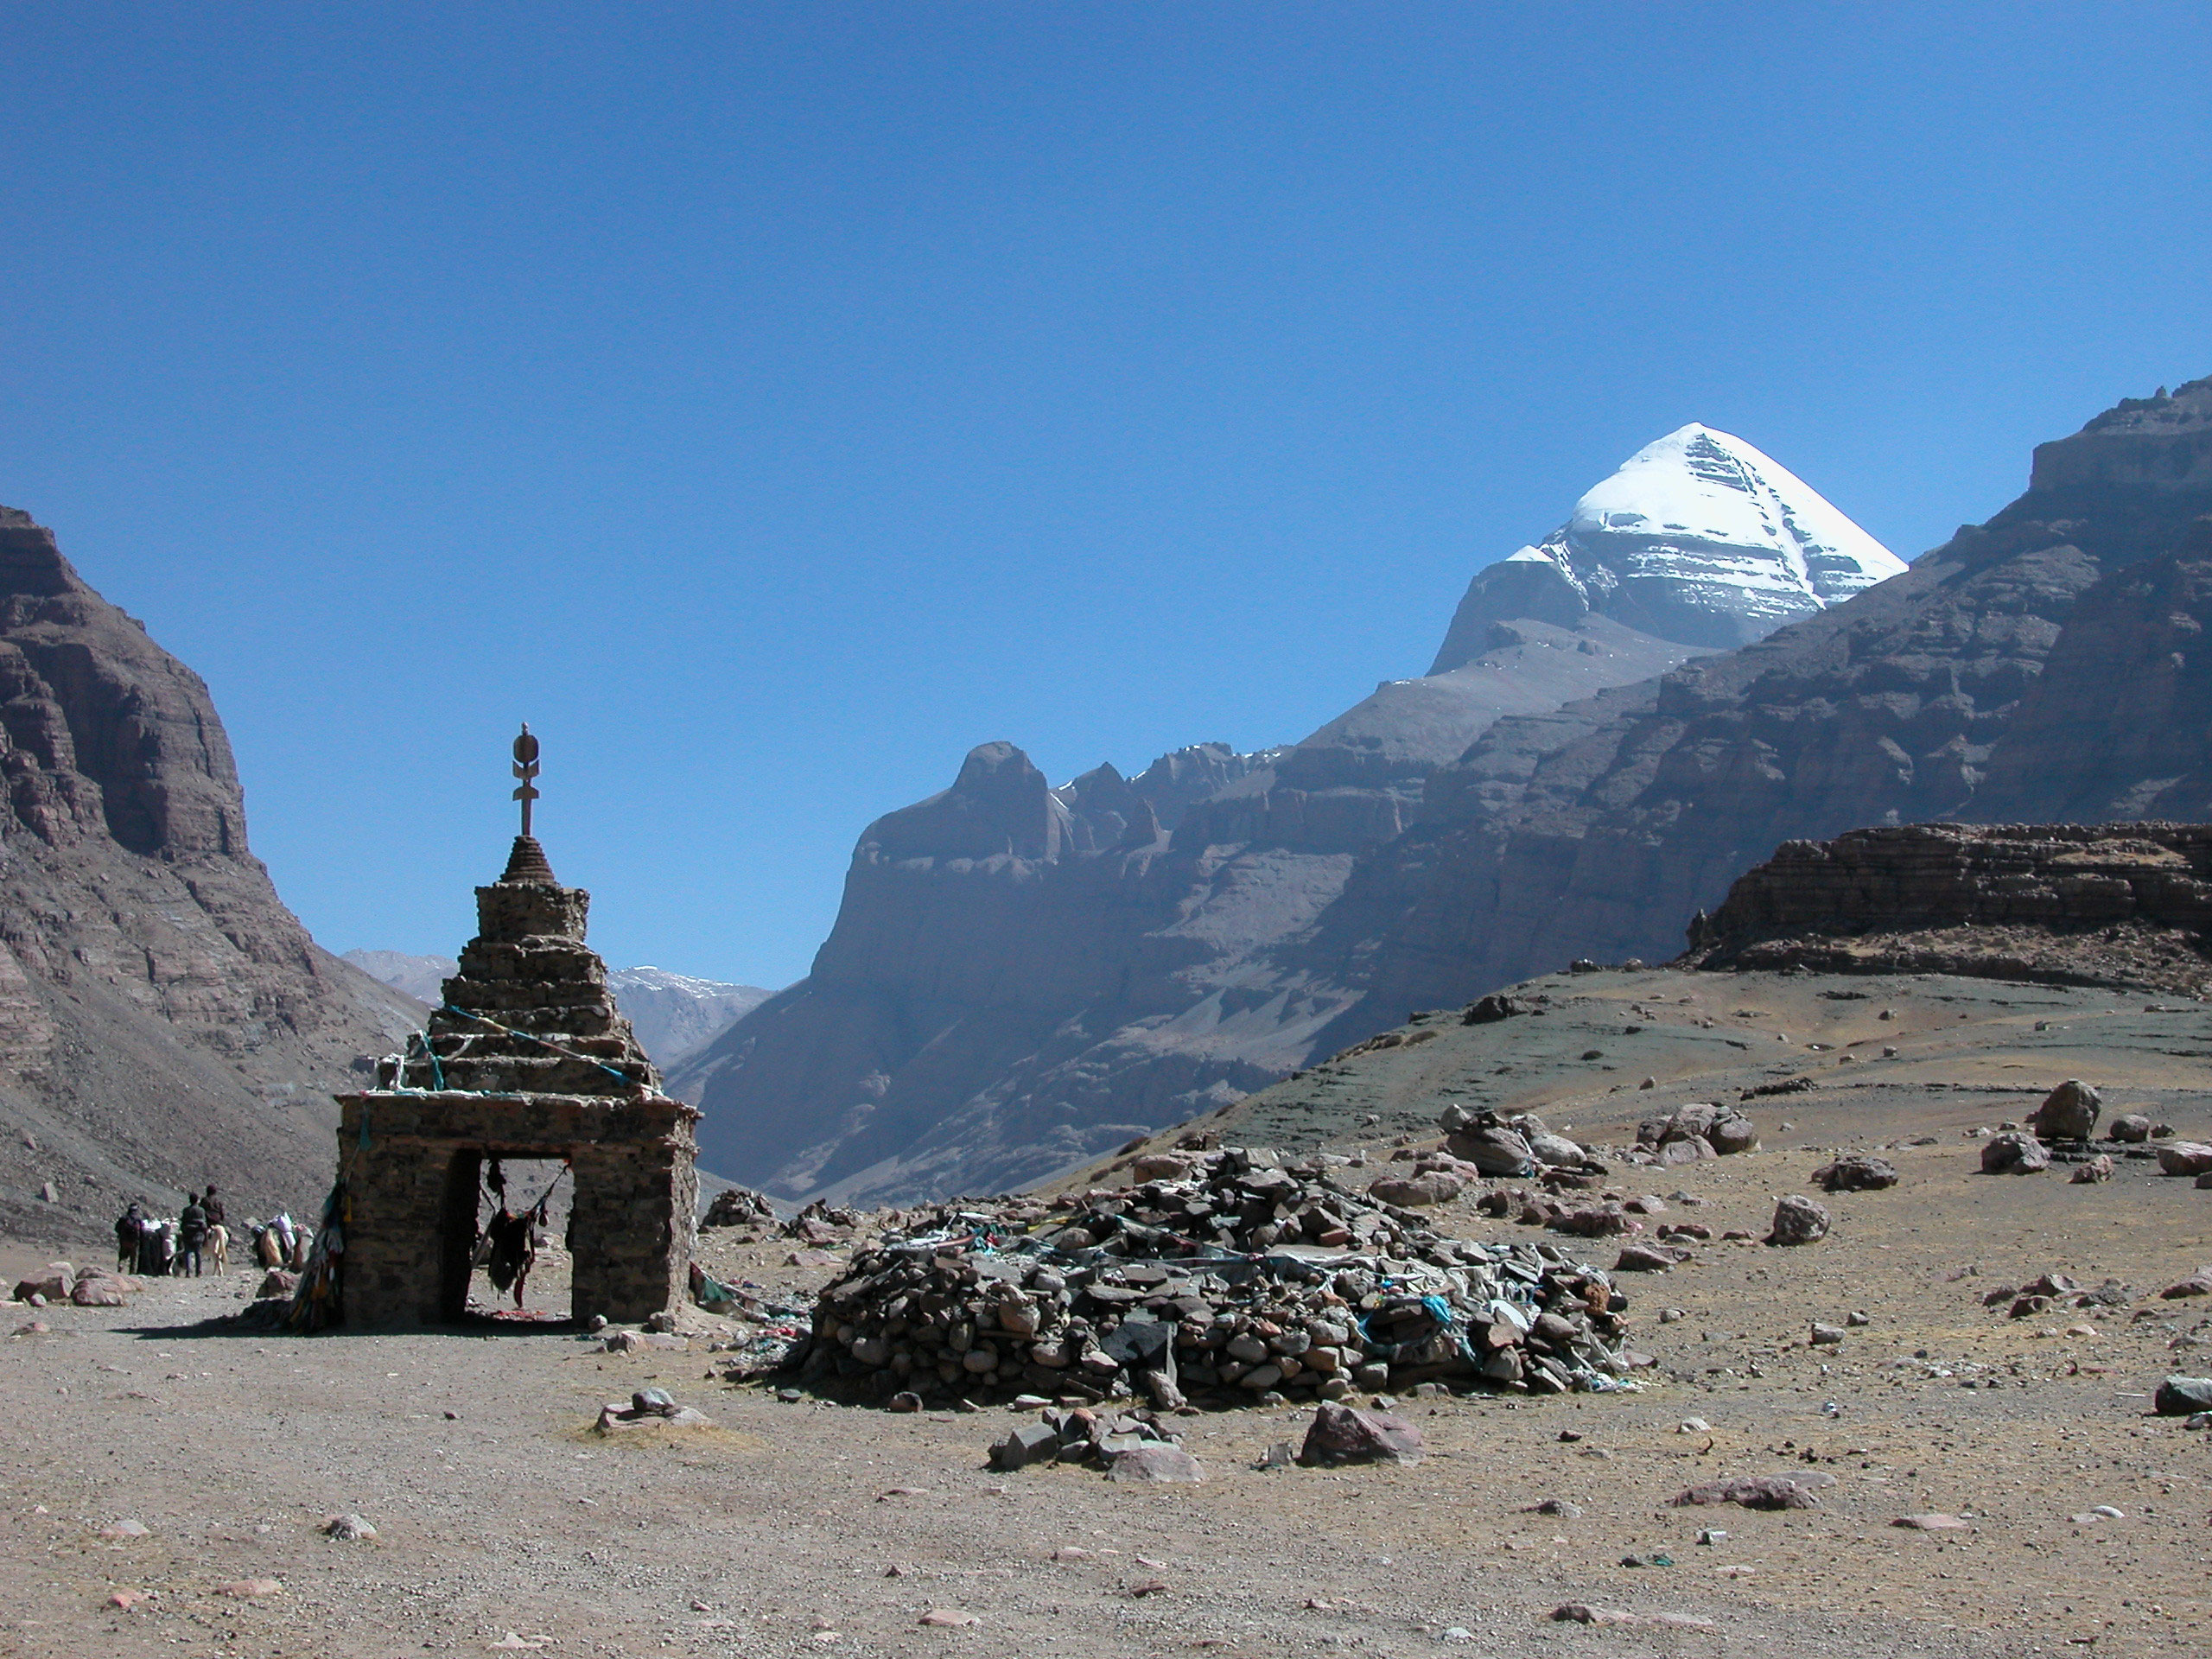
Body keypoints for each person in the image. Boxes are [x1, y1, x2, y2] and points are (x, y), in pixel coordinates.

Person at [176, 1193, 207, 1278]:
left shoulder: (186, 1210)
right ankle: (199, 1272)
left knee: (188, 1253)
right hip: (198, 1234)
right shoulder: (201, 1210)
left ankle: (188, 1272)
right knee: (198, 1253)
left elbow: (183, 1222)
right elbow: (204, 1224)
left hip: (188, 1234)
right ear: (197, 1200)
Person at [115, 1200, 145, 1272]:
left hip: (124, 1240)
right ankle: (132, 1272)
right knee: (133, 1259)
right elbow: (142, 1231)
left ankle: (121, 1266)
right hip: (134, 1242)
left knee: (123, 1256)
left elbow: (117, 1228)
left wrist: (121, 1235)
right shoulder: (138, 1220)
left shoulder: (123, 1219)